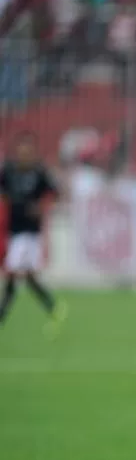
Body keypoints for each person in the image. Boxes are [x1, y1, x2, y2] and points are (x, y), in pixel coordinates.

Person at [0, 132, 66, 333]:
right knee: (26, 276)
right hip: (14, 229)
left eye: (28, 151)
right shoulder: (8, 172)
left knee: (13, 273)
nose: (25, 154)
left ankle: (2, 315)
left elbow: (56, 193)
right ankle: (53, 307)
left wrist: (41, 207)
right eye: (22, 151)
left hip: (30, 233)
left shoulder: (39, 172)